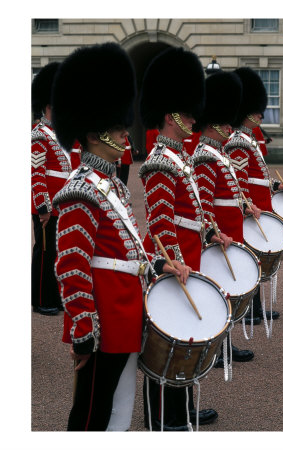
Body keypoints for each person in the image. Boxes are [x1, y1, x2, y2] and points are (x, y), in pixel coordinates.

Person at [51, 42, 190, 432]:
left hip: (125, 311)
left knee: (119, 408)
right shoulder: (81, 190)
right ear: (95, 135)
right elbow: (71, 266)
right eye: (116, 128)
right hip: (103, 320)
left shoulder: (111, 186)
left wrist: (162, 263)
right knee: (92, 413)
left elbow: (128, 250)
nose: (124, 134)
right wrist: (83, 331)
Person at [139, 47, 229, 431]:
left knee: (185, 336)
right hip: (171, 258)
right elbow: (161, 224)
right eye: (188, 112)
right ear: (170, 114)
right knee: (166, 342)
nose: (194, 117)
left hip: (188, 254)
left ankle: (183, 411)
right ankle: (161, 417)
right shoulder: (160, 161)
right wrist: (173, 262)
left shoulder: (181, 157)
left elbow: (191, 211)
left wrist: (211, 231)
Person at [192, 70, 261, 365]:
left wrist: (246, 204)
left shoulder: (217, 153)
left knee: (228, 293)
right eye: (225, 122)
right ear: (213, 122)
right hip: (220, 234)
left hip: (231, 230)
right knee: (218, 294)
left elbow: (232, 190)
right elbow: (204, 203)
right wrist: (212, 232)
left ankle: (226, 346)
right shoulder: (207, 155)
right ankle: (216, 350)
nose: (230, 126)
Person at [224, 67, 283, 323]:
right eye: (255, 111)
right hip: (249, 208)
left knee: (257, 261)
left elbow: (257, 176)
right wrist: (247, 205)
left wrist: (275, 186)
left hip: (258, 205)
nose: (260, 115)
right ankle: (251, 310)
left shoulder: (249, 139)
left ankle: (257, 308)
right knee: (251, 260)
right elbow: (239, 182)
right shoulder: (240, 141)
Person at [31, 62, 81, 316]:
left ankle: (55, 296)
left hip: (63, 204)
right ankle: (41, 298)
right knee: (45, 253)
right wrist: (43, 206)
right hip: (48, 206)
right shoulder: (39, 134)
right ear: (48, 106)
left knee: (59, 253)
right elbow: (36, 173)